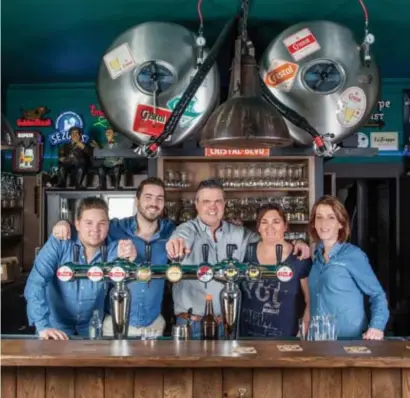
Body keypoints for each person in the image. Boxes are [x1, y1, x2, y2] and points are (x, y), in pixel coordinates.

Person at [166, 179, 311, 339]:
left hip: (228, 325)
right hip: (192, 325)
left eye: (218, 201)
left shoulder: (239, 233)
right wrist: (175, 245)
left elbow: (270, 237)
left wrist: (298, 243)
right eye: (206, 201)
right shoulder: (187, 229)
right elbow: (179, 238)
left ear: (224, 204)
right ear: (197, 204)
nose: (212, 206)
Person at [51, 177, 175, 337]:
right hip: (114, 322)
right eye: (148, 197)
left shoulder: (171, 231)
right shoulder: (115, 228)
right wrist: (63, 222)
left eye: (160, 198)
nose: (154, 203)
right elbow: (89, 226)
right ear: (137, 201)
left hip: (154, 323)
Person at [24, 197, 137, 340]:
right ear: (77, 224)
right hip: (55, 328)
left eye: (102, 223)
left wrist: (131, 262)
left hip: (92, 328)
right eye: (88, 223)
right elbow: (35, 283)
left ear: (108, 225)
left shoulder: (116, 250)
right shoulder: (60, 243)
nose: (95, 229)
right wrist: (42, 326)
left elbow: (122, 285)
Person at [308, 195, 389, 340]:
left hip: (348, 343)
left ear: (340, 223)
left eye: (331, 217)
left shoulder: (353, 255)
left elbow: (377, 294)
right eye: (319, 217)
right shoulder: (316, 257)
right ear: (313, 223)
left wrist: (377, 326)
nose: (323, 222)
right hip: (318, 342)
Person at [240, 204, 311, 338]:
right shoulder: (246, 252)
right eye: (264, 222)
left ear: (285, 226)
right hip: (247, 338)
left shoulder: (299, 257)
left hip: (286, 339)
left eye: (276, 222)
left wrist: (303, 332)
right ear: (258, 227)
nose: (270, 227)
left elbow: (310, 300)